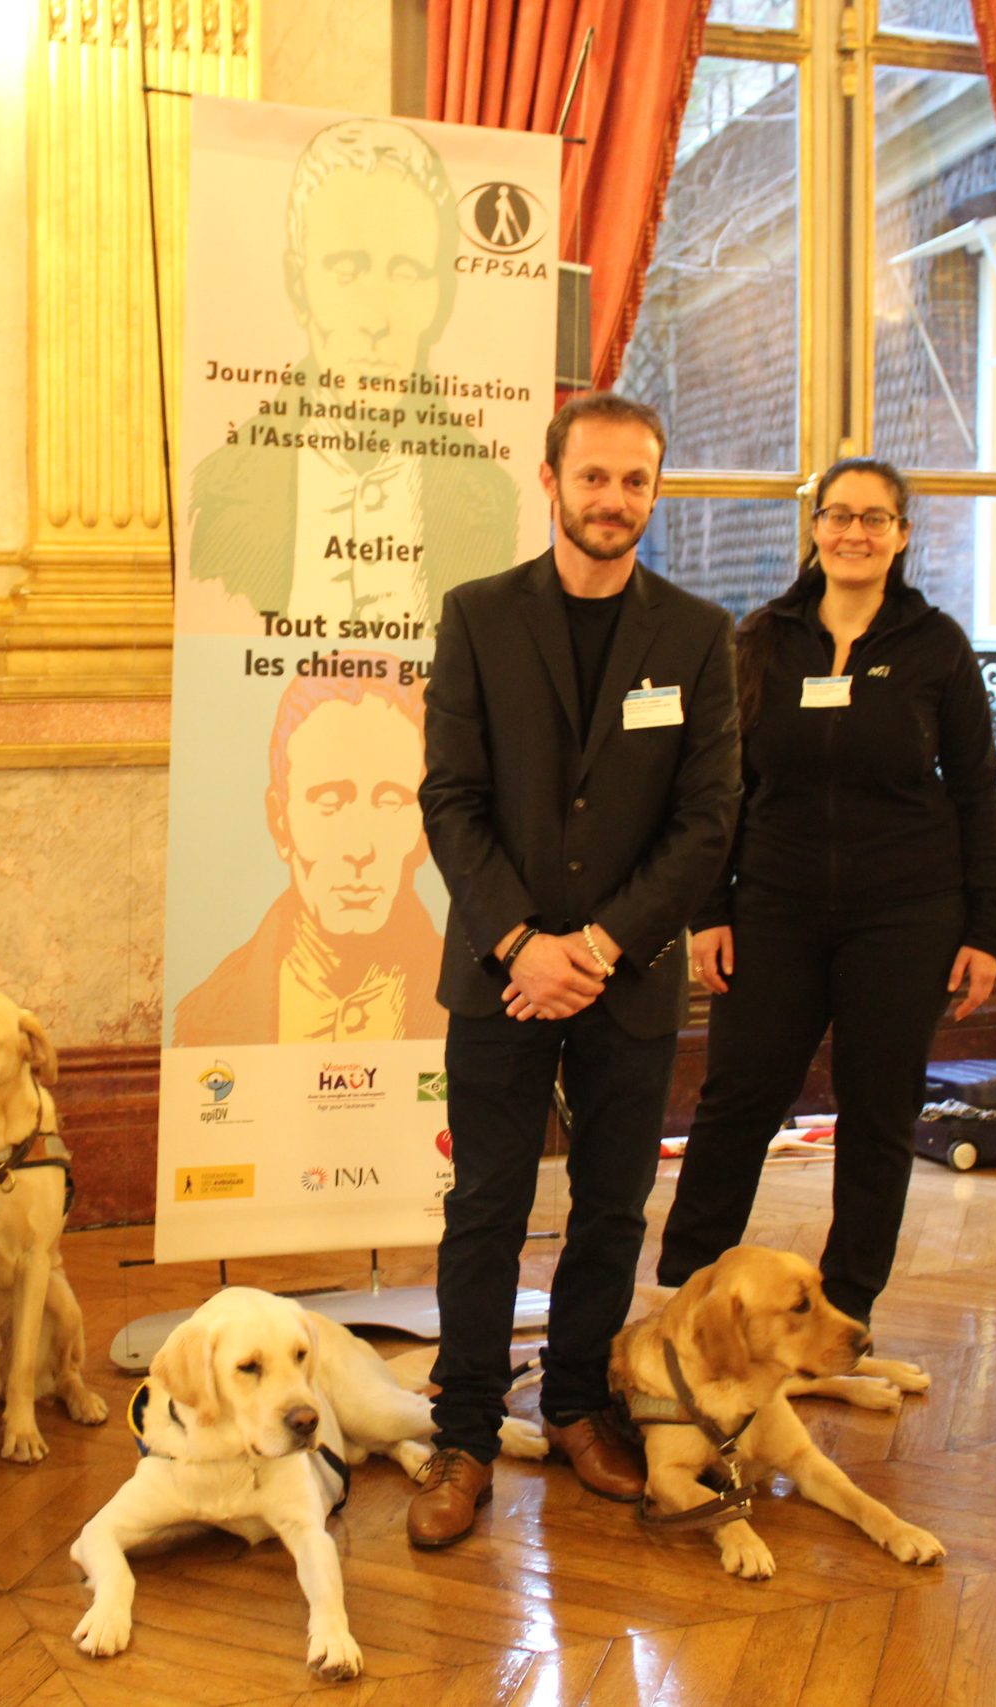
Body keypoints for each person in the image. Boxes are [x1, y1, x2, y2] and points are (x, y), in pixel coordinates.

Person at [407, 393, 741, 1548]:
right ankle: (461, 1432)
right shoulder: (477, 616)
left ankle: (575, 1408)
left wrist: (595, 948)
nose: (613, 499)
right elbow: (449, 798)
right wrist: (522, 944)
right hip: (500, 972)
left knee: (608, 1207)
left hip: (625, 978)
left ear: (655, 491)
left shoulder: (696, 634)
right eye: (593, 477)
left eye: (634, 480)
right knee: (485, 1208)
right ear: (549, 481)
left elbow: (707, 819)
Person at [655, 458, 996, 1326]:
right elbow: (721, 784)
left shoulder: (937, 645)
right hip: (772, 908)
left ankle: (846, 1311)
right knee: (737, 1102)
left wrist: (985, 926)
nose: (856, 532)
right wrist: (711, 910)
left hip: (907, 915)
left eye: (875, 518)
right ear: (815, 528)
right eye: (840, 515)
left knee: (879, 1112)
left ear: (902, 534)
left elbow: (976, 788)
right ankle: (683, 1299)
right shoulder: (761, 638)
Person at [183, 116, 519, 629]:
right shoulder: (217, 495)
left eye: (406, 273)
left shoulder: (494, 503)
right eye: (346, 270)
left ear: (440, 298)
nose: (376, 320)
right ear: (298, 285)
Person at [173, 656, 446, 1045]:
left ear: (425, 826)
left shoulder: (471, 1004)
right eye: (330, 802)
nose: (360, 849)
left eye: (390, 802)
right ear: (280, 822)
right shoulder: (205, 1020)